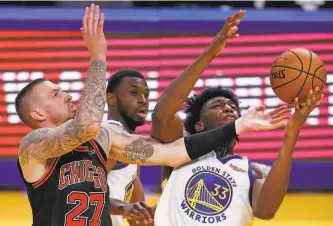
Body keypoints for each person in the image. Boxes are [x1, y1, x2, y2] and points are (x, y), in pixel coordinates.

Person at [16, 5, 291, 226]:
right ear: (37, 113)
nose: (66, 95)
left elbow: (172, 153)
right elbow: (85, 126)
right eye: (55, 94)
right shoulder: (33, 147)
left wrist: (238, 127)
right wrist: (98, 55)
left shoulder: (105, 137)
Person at [151, 10, 323, 226]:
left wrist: (292, 132)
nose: (228, 109)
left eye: (233, 107)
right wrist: (209, 54)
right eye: (217, 105)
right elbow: (160, 116)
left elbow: (266, 210)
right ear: (199, 124)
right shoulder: (178, 151)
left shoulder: (251, 170)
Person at [105, 69, 154, 226]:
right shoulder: (107, 136)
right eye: (134, 93)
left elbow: (141, 220)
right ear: (112, 99)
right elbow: (84, 193)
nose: (143, 100)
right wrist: (123, 208)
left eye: (146, 95)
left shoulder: (129, 147)